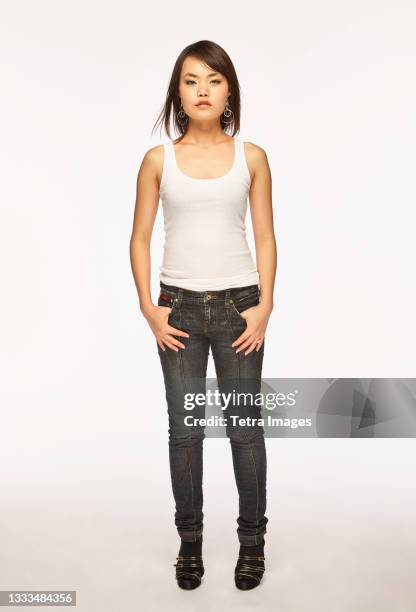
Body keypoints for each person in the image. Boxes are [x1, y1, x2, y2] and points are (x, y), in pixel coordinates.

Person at [130, 40, 277, 591]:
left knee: (245, 431)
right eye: (191, 81)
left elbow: (264, 233)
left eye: (213, 81)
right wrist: (149, 307)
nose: (203, 91)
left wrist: (266, 305)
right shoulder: (157, 161)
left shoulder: (252, 157)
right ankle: (189, 544)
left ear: (229, 89)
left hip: (241, 307)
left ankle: (252, 543)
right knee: (185, 433)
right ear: (178, 92)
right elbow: (140, 236)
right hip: (180, 309)